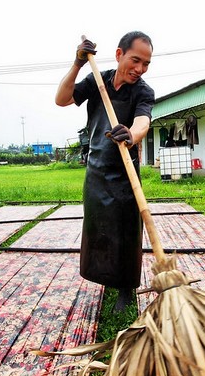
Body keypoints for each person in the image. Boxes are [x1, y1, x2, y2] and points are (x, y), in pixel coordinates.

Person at [55, 31, 155, 311]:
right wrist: (77, 64)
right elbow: (61, 99)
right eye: (136, 60)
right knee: (99, 230)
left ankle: (126, 290)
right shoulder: (97, 81)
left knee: (126, 232)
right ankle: (104, 278)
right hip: (97, 169)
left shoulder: (143, 91)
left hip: (126, 173)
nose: (140, 69)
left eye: (146, 63)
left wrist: (131, 135)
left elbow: (143, 122)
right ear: (119, 54)